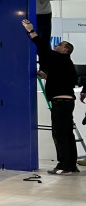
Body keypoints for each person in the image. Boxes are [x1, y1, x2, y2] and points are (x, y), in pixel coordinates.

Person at [22, 18, 82, 174]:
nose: (56, 46)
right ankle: (71, 165)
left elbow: (42, 47)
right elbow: (66, 80)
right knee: (67, 134)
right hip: (67, 102)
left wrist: (31, 30)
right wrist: (48, 77)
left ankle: (63, 166)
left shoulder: (60, 57)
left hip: (60, 103)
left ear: (65, 50)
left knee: (59, 134)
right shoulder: (67, 63)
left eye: (60, 45)